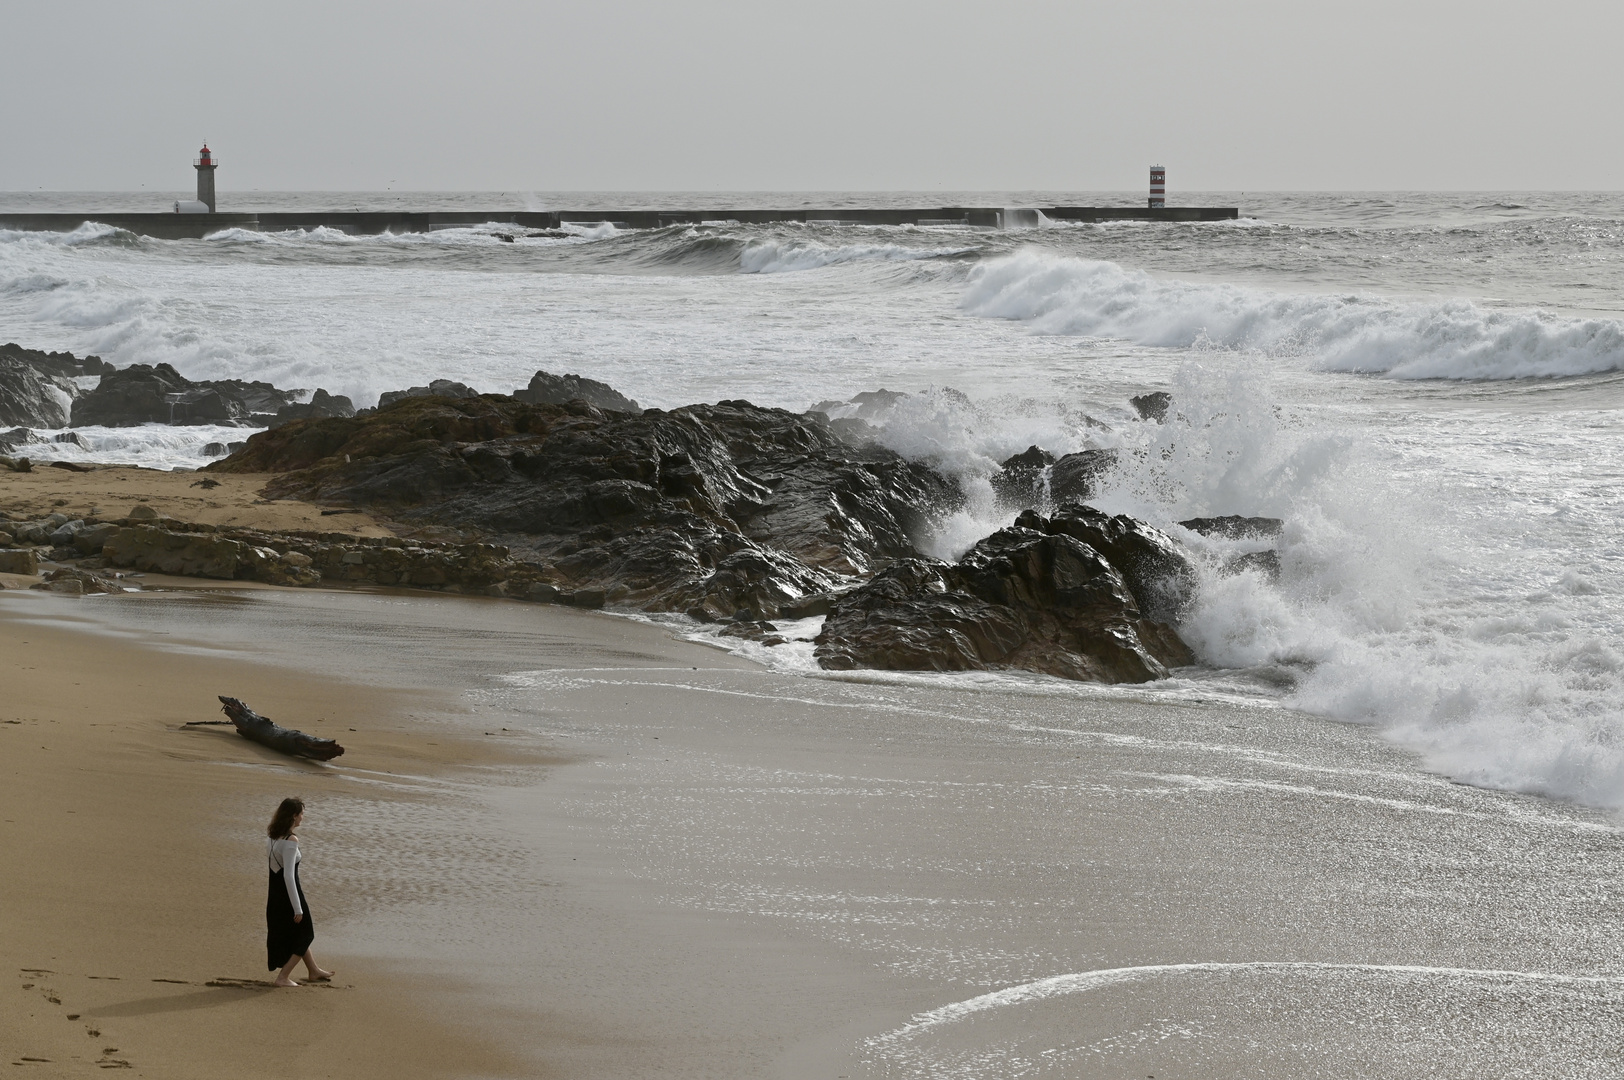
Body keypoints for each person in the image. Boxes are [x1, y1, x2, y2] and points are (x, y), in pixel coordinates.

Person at [265, 797, 334, 987]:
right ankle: (283, 977)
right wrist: (298, 908)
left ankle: (313, 970)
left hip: (275, 895)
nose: (302, 818)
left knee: (298, 934)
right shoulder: (290, 840)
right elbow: (288, 876)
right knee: (306, 934)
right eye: (301, 814)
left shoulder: (272, 836)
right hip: (289, 895)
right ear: (293, 816)